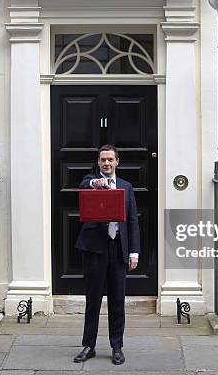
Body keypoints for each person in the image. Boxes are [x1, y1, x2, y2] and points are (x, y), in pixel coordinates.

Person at [73, 144, 140, 365]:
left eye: (110, 160)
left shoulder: (126, 186)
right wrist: (94, 183)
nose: (107, 163)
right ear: (98, 162)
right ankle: (88, 346)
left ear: (117, 161)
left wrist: (134, 252)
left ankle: (117, 346)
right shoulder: (91, 182)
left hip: (118, 249)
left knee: (117, 301)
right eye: (103, 160)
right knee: (93, 300)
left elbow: (132, 221)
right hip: (95, 249)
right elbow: (82, 185)